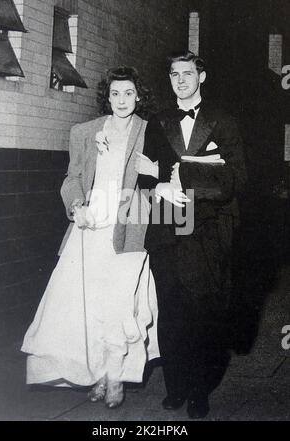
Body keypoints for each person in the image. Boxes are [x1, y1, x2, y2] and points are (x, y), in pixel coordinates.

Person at [21, 66, 159, 409]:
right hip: (90, 227)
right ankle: (95, 373)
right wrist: (77, 206)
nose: (122, 100)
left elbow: (163, 178)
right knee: (86, 304)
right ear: (106, 96)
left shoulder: (151, 131)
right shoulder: (84, 131)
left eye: (129, 93)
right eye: (115, 93)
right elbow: (73, 178)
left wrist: (154, 174)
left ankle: (115, 377)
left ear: (139, 96)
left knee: (120, 304)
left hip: (130, 227)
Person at [136, 51, 246, 418]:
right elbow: (143, 174)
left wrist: (182, 175)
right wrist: (159, 189)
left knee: (203, 312)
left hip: (208, 230)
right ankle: (176, 386)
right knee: (171, 311)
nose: (180, 80)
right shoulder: (157, 121)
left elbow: (235, 178)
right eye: (173, 74)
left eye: (187, 73)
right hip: (167, 228)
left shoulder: (224, 122)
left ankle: (200, 390)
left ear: (202, 76)